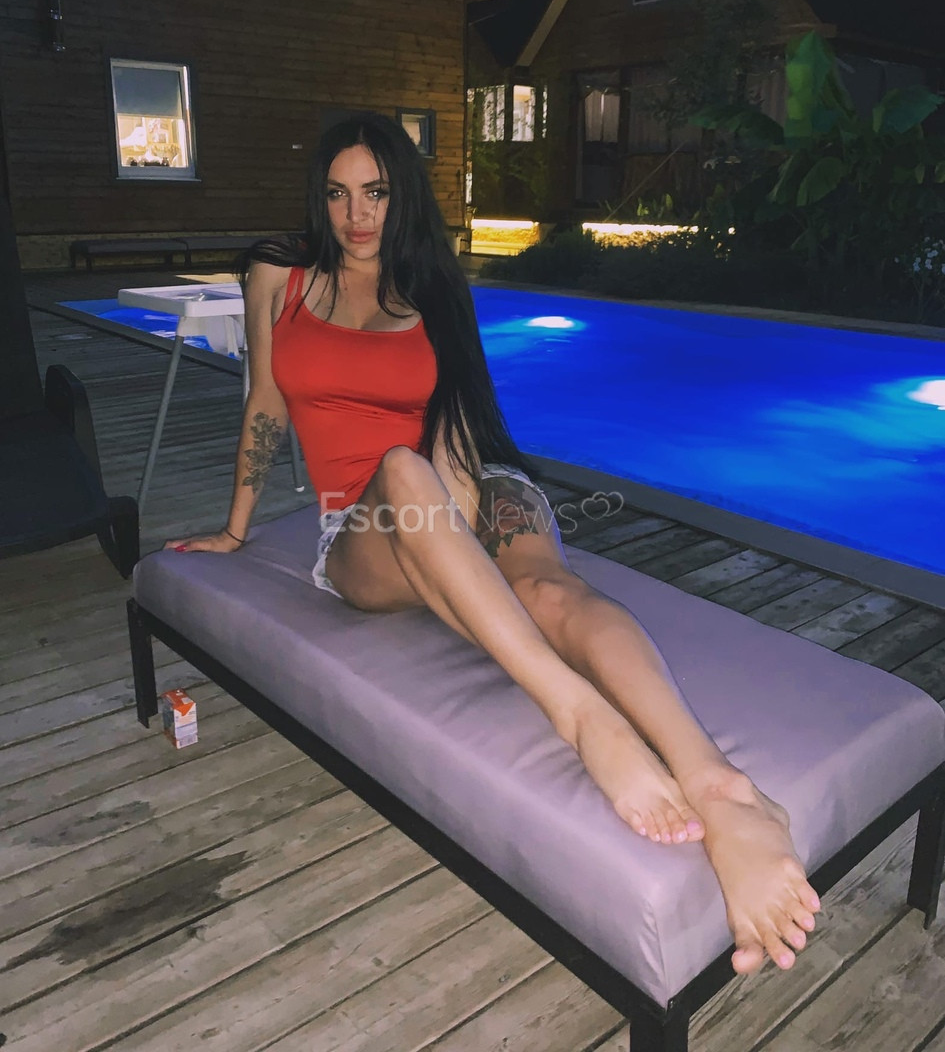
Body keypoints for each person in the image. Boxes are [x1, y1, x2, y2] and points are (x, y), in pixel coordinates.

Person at [167, 111, 820, 974]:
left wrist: (463, 525)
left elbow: (456, 425)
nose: (356, 215)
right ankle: (585, 718)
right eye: (337, 194)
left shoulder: (432, 288)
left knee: (550, 592)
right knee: (400, 472)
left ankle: (717, 785)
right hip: (364, 523)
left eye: (375, 193)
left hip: (469, 482)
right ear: (317, 199)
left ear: (401, 197)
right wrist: (236, 527)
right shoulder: (276, 276)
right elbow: (264, 403)